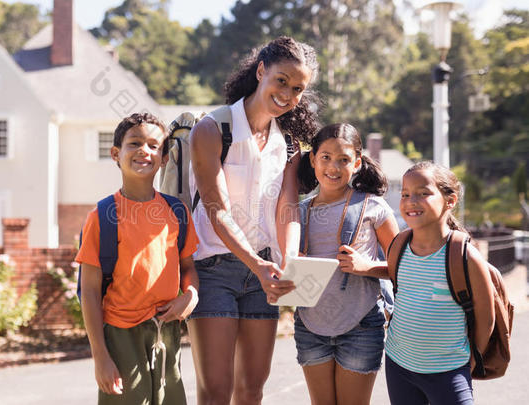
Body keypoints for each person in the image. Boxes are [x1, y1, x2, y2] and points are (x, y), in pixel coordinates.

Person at [187, 36, 320, 405]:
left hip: (264, 276)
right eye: (281, 80)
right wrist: (257, 264)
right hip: (213, 270)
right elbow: (216, 210)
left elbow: (288, 207)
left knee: (252, 390)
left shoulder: (288, 142)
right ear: (261, 71)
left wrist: (287, 260)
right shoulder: (213, 128)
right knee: (216, 391)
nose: (288, 95)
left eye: (297, 89)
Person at [75, 112, 200, 405]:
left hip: (166, 331)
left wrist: (191, 294)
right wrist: (100, 357)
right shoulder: (102, 216)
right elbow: (89, 292)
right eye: (135, 143)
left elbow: (188, 268)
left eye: (154, 146)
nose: (145, 151)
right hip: (121, 335)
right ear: (116, 154)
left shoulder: (178, 212)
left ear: (165, 158)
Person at [292, 123, 399, 405]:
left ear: (357, 163)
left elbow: (402, 265)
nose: (333, 167)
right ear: (313, 159)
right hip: (310, 326)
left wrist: (368, 267)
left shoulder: (373, 207)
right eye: (325, 157)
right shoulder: (298, 212)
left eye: (344, 160)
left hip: (361, 326)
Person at [385, 161, 495, 405]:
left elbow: (487, 317)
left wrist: (472, 359)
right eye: (405, 194)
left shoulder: (465, 255)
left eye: (423, 193)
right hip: (398, 365)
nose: (411, 200)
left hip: (450, 371)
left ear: (450, 201)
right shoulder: (399, 246)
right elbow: (399, 282)